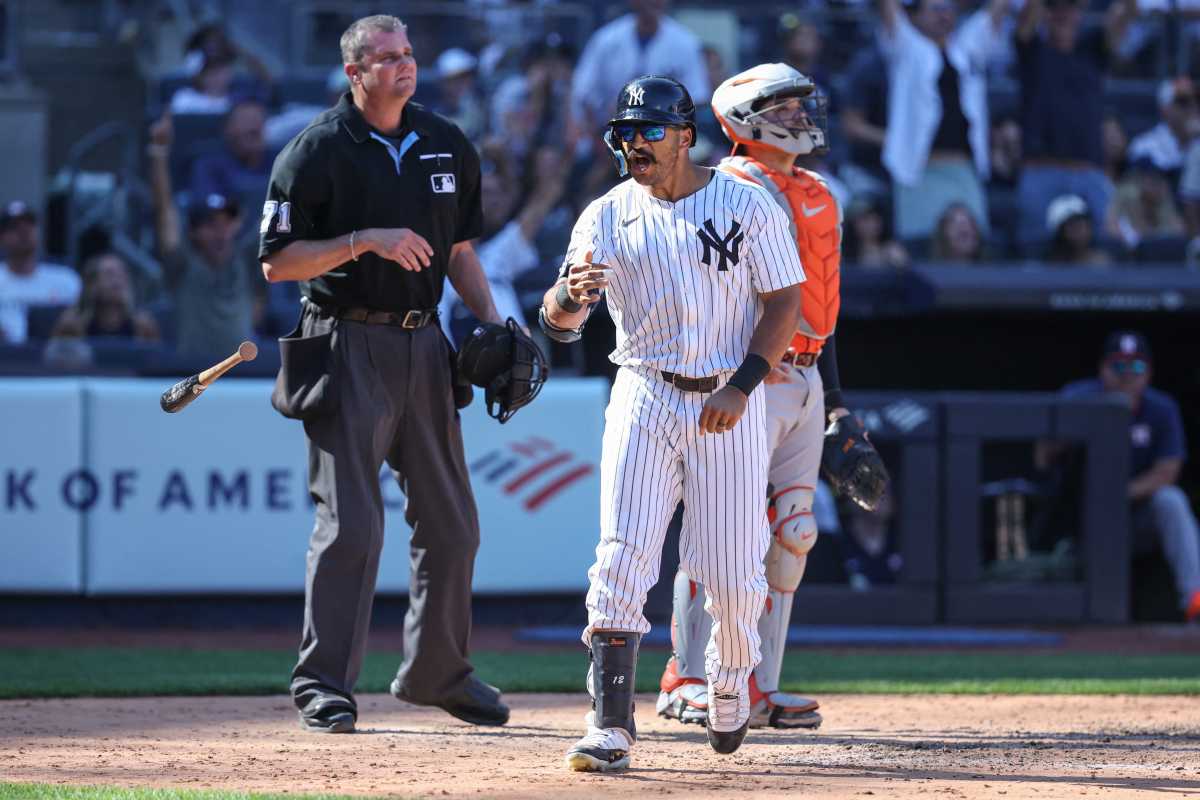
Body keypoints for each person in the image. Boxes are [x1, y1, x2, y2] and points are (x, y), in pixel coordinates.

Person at [540, 76, 805, 771]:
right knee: (622, 554)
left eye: (650, 130)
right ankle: (612, 724)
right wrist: (567, 297)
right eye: (625, 133)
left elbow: (784, 302)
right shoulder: (606, 214)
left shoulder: (745, 203)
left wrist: (746, 385)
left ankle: (727, 679)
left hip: (727, 394)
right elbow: (560, 323)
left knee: (730, 571)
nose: (635, 144)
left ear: (686, 136)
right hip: (644, 388)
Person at [258, 14, 509, 735]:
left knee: (454, 524)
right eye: (386, 58)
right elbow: (278, 263)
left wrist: (489, 322)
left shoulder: (444, 142)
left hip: (423, 343)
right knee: (354, 525)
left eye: (408, 55)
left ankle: (438, 673)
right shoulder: (314, 152)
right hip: (343, 339)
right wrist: (362, 240)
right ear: (354, 72)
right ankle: (323, 683)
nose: (404, 67)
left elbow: (459, 250)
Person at [653, 62, 856, 734]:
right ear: (746, 118)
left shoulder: (822, 191)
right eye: (787, 107)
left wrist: (838, 402)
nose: (802, 116)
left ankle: (757, 687)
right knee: (721, 533)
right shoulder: (723, 188)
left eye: (803, 105)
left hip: (806, 374)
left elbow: (825, 303)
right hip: (748, 374)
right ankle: (686, 678)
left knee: (794, 530)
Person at [1044, 332, 1200, 622]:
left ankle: (1195, 598)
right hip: (1080, 520)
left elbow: (1168, 471)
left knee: (1171, 500)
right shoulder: (1078, 397)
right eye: (1118, 366)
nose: (1127, 375)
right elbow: (1041, 457)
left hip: (1131, 518)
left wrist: (1117, 493)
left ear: (1149, 373)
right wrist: (1081, 424)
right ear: (1102, 369)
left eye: (1137, 367)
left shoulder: (1161, 409)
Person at [876, 0, 1011, 240]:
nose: (943, 15)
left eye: (948, 9)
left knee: (973, 245)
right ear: (917, 15)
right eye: (935, 9)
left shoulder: (966, 47)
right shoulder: (907, 46)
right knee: (920, 245)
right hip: (917, 171)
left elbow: (995, 12)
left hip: (964, 168)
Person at [1013, 0, 1136, 250]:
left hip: (1089, 172)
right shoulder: (1032, 51)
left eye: (1069, 7)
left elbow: (1127, 12)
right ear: (1045, 14)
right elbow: (1026, 22)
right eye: (1055, 7)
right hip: (1040, 170)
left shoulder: (1093, 51)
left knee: (1110, 248)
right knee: (1033, 250)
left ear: (1080, 14)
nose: (1063, 14)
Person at [148, 113, 263, 359]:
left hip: (243, 379)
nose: (220, 231)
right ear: (193, 232)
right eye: (210, 224)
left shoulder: (246, 260)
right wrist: (158, 153)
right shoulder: (183, 265)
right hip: (192, 377)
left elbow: (282, 210)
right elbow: (165, 211)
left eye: (227, 222)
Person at [0, 201, 81, 344]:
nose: (23, 232)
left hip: (52, 361)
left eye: (29, 226)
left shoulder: (66, 280)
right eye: (14, 228)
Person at [49, 252, 159, 341]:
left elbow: (155, 362)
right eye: (109, 274)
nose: (117, 281)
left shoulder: (143, 325)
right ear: (92, 285)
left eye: (122, 274)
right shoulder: (71, 324)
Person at [1127, 78, 1200, 179]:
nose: (1193, 106)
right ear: (1164, 109)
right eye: (1183, 102)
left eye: (1197, 100)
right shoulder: (1144, 147)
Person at [1045, 194, 1111, 265]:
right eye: (1073, 227)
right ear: (1060, 233)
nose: (1082, 231)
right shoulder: (1051, 266)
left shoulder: (1102, 262)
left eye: (1084, 225)